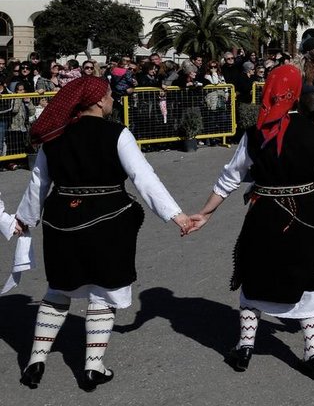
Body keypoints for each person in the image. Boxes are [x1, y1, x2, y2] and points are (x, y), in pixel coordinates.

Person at [186, 65, 314, 380]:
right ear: (297, 94)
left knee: (255, 275)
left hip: (264, 213)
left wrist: (206, 213)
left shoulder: (253, 133)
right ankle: (313, 354)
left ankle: (245, 347)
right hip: (305, 215)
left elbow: (229, 179)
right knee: (306, 278)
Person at [14, 76, 193, 392]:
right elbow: (143, 177)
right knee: (104, 291)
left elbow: (38, 183)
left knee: (59, 289)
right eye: (110, 95)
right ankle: (93, 367)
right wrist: (176, 215)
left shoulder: (55, 135)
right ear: (98, 101)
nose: (112, 99)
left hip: (61, 220)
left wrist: (25, 219)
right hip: (108, 221)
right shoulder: (117, 133)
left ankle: (35, 361)